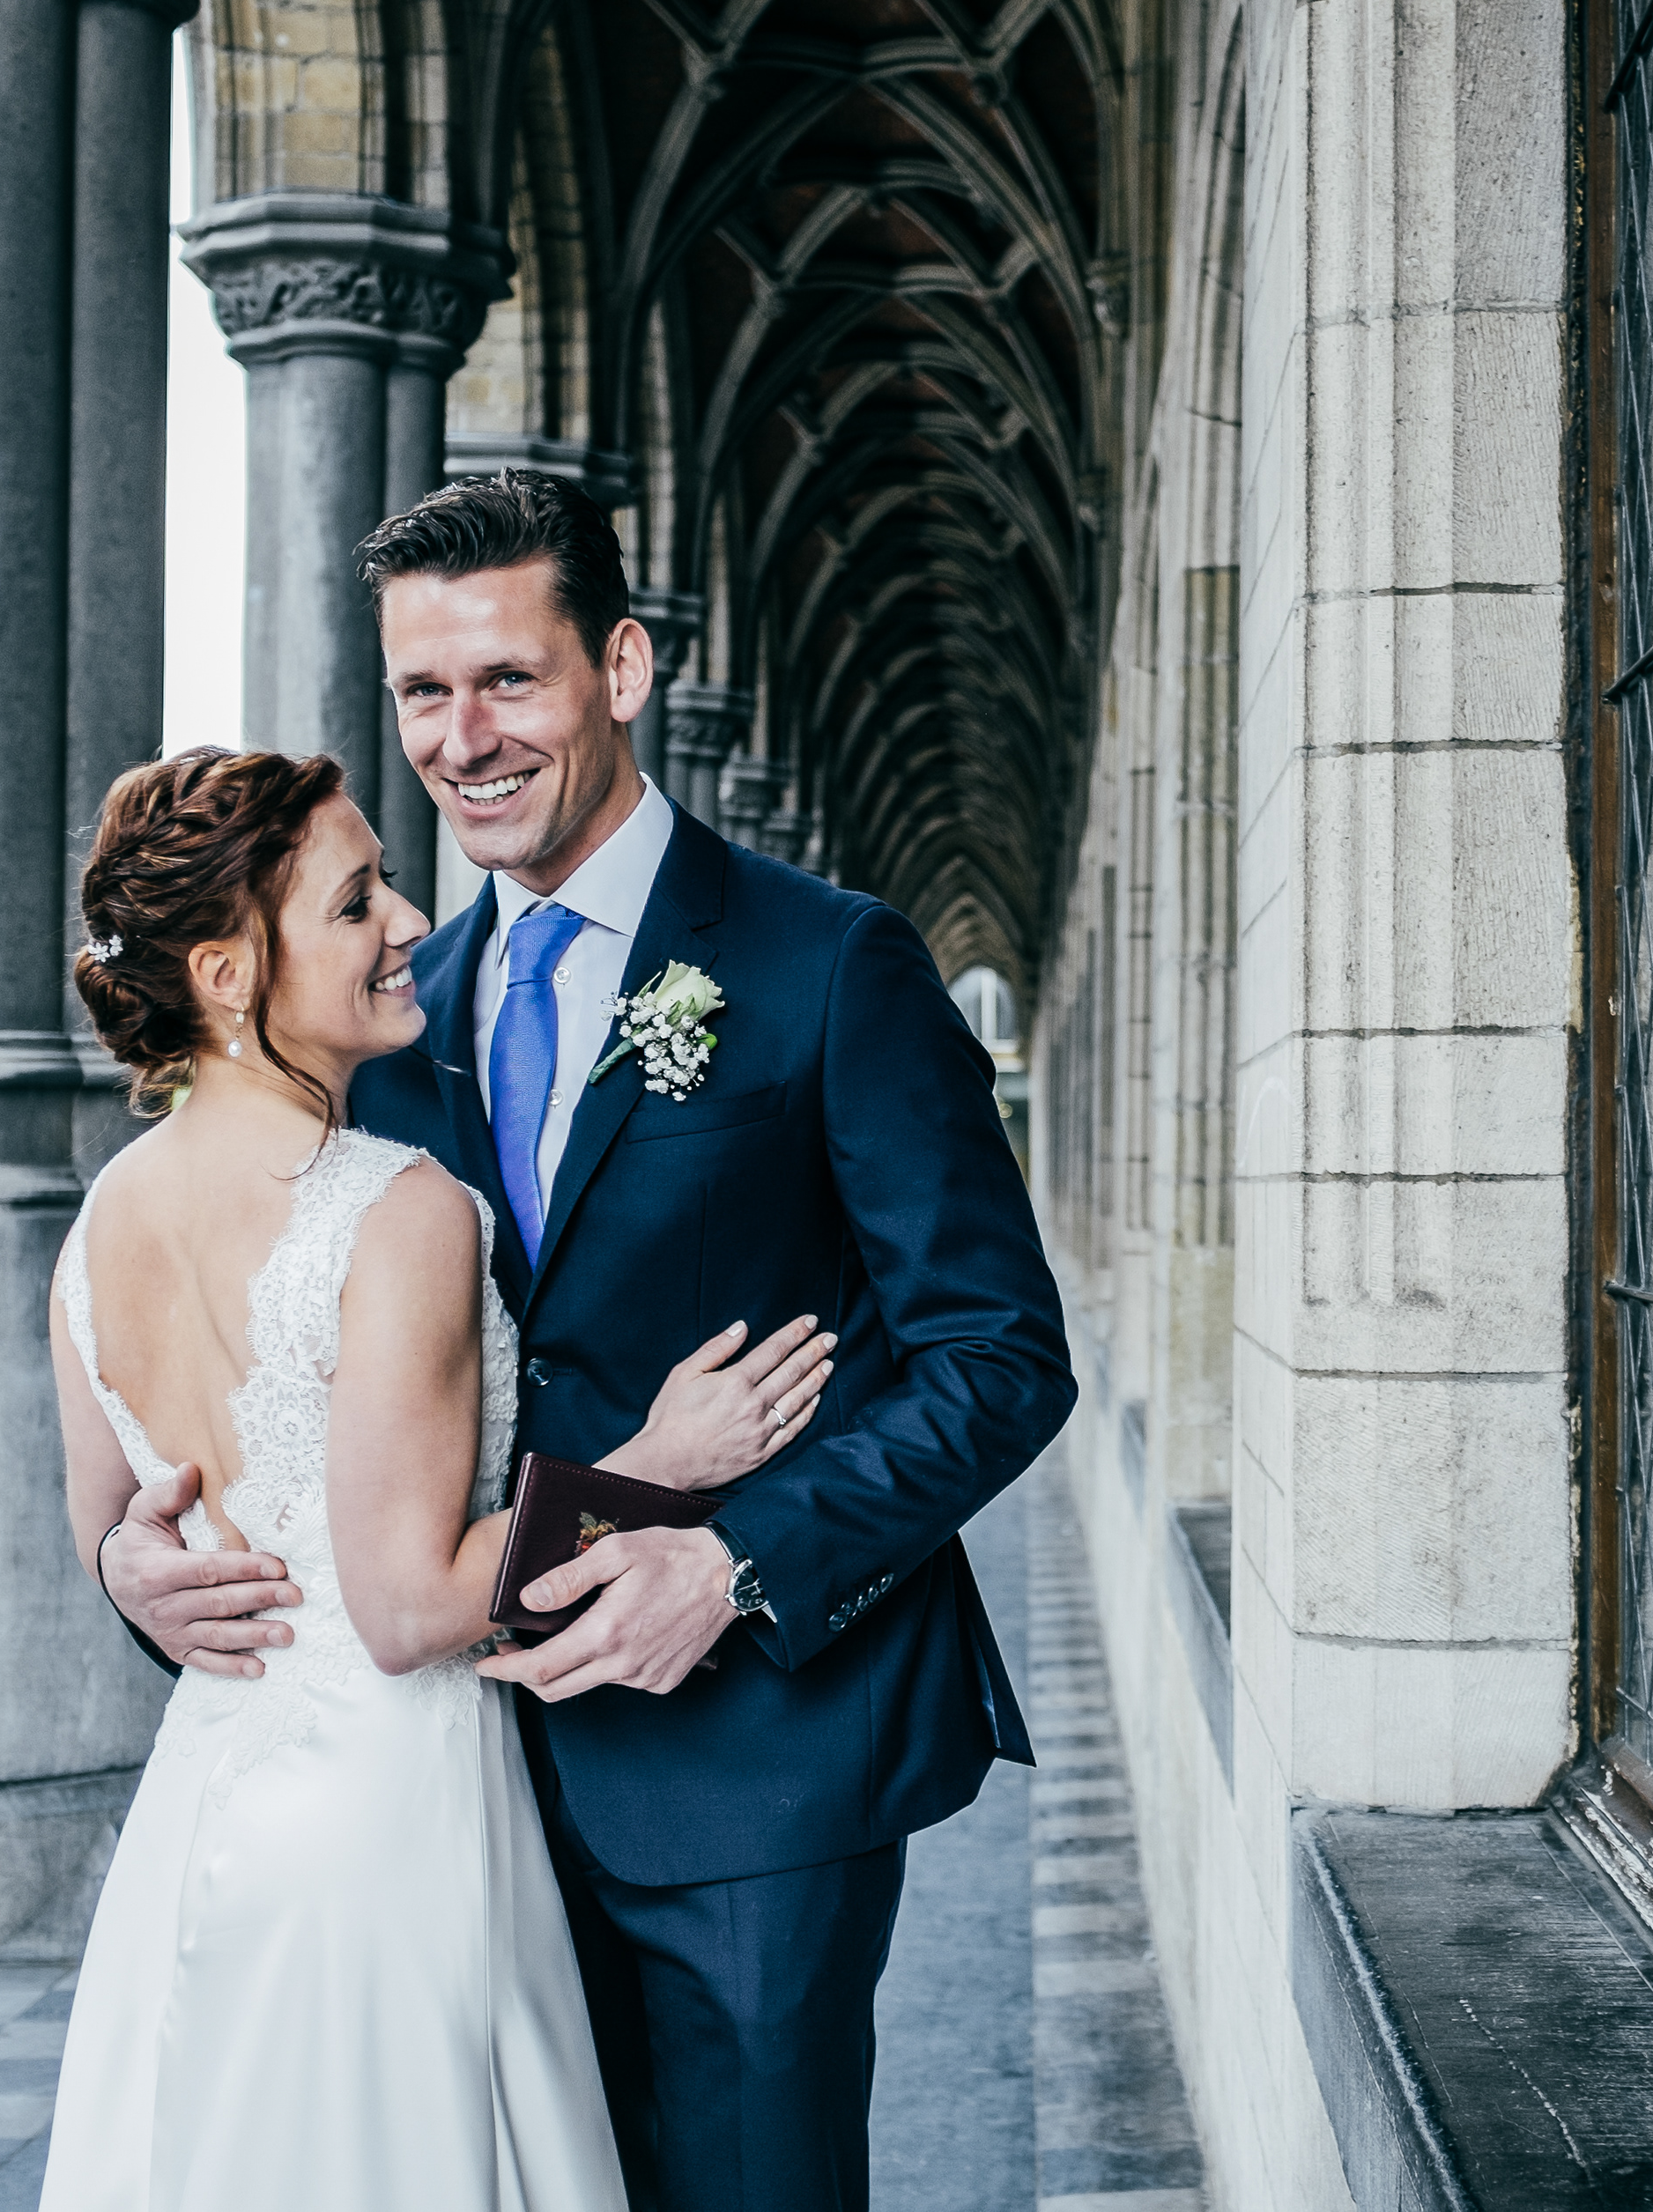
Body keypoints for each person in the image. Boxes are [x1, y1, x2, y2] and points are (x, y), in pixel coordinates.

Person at [98, 469, 1076, 2212]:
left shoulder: (829, 964)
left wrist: (736, 1561)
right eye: (423, 690)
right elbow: (272, 1367)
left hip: (756, 1769)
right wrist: (136, 1559)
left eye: (508, 679)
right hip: (455, 1785)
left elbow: (1001, 1355)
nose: (462, 737)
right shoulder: (382, 1024)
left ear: (619, 668)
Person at [46, 747, 839, 2209]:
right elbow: (411, 1611)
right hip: (385, 1819)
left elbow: (110, 1526)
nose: (412, 918)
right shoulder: (394, 1208)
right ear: (227, 974)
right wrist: (653, 1466)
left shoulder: (99, 1221)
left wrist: (119, 1568)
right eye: (356, 903)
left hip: (202, 1810)